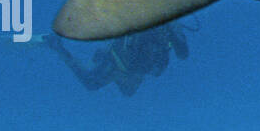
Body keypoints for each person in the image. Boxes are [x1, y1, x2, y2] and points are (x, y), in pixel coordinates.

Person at [35, 23, 191, 96]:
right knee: (92, 82)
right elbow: (181, 52)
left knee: (92, 82)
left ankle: (55, 44)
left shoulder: (146, 66)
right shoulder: (149, 67)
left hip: (149, 24)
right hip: (153, 26)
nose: (139, 81)